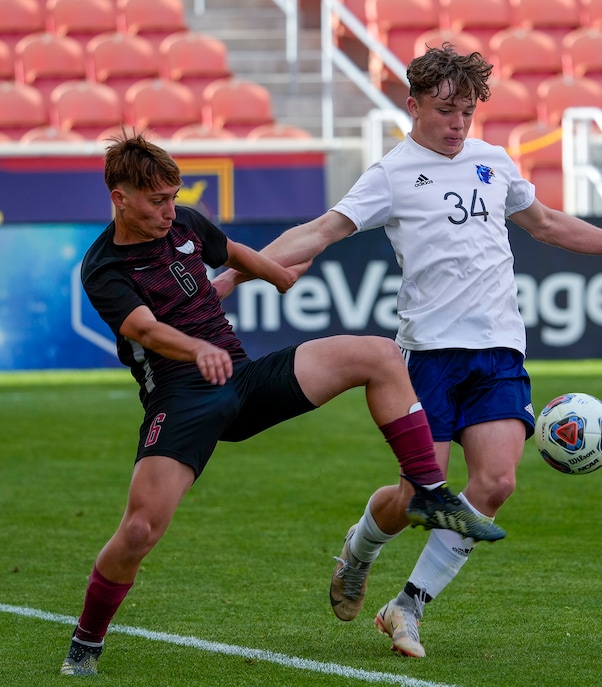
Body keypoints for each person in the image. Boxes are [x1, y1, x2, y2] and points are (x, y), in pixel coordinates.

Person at [211, 44, 602, 659]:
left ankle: (407, 606)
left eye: (467, 111)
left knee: (495, 481)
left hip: (498, 352)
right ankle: (357, 554)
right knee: (416, 498)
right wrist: (233, 274)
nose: (458, 123)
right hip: (430, 357)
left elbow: (547, 224)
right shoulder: (391, 174)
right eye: (445, 110)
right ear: (413, 105)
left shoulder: (493, 161)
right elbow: (316, 235)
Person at [59, 131, 507, 677]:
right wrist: (197, 347)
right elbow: (144, 329)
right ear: (119, 196)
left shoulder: (186, 224)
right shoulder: (103, 267)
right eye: (157, 201)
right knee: (138, 531)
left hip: (242, 380)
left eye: (173, 197)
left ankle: (427, 492)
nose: (168, 210)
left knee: (380, 355)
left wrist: (277, 276)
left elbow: (230, 252)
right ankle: (86, 642)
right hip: (180, 400)